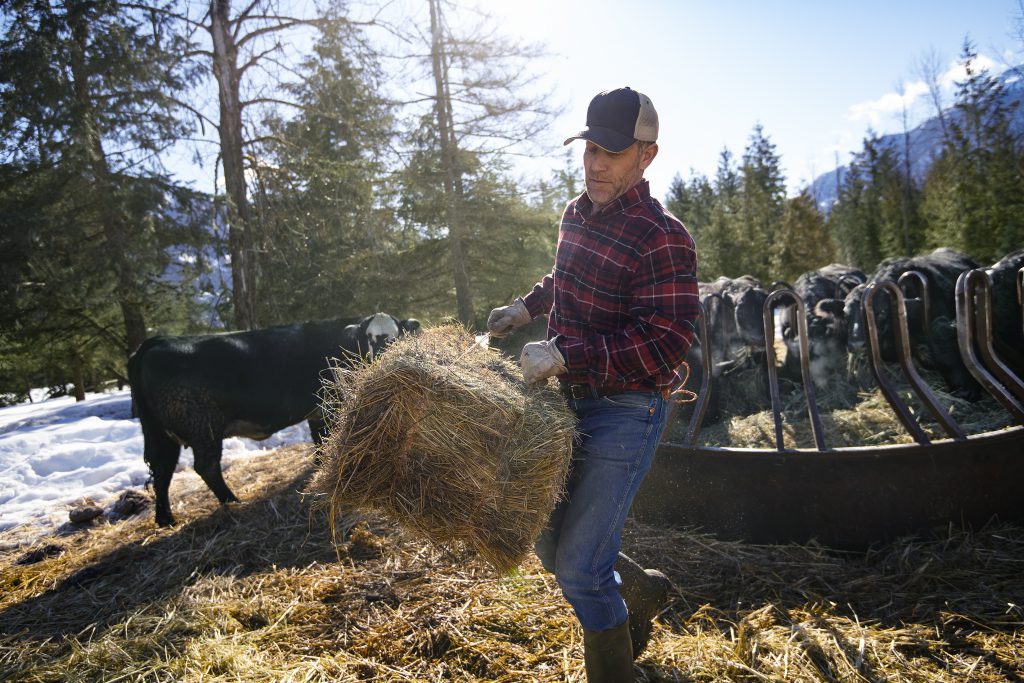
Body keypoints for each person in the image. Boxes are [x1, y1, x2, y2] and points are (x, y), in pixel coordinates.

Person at [487, 87, 698, 682]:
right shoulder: (578, 213)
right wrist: (526, 308)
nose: (595, 163)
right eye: (589, 149)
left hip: (627, 410)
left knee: (578, 569)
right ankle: (640, 589)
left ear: (646, 156)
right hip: (568, 401)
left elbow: (665, 343)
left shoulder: (663, 237)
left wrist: (564, 354)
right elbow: (567, 275)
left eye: (611, 151)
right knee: (549, 543)